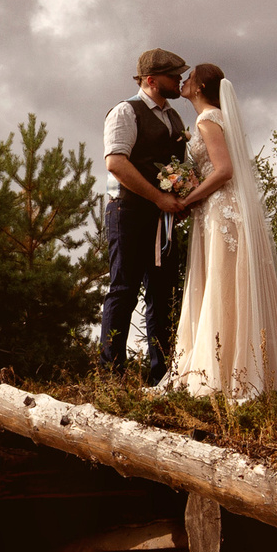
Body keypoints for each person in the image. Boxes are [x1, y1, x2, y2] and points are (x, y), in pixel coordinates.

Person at [161, 62, 277, 399]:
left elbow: (224, 170)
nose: (184, 81)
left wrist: (189, 196)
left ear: (201, 86)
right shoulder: (216, 119)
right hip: (219, 208)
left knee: (222, 282)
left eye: (189, 78)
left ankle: (220, 375)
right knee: (226, 283)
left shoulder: (207, 120)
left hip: (221, 209)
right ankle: (232, 367)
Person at [99, 49, 192, 382]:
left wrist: (180, 198)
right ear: (151, 80)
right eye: (173, 75)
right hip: (127, 212)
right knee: (123, 289)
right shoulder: (126, 111)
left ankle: (161, 376)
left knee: (163, 293)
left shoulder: (175, 119)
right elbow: (116, 163)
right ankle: (111, 377)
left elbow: (177, 167)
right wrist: (159, 198)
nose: (180, 79)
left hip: (162, 220)